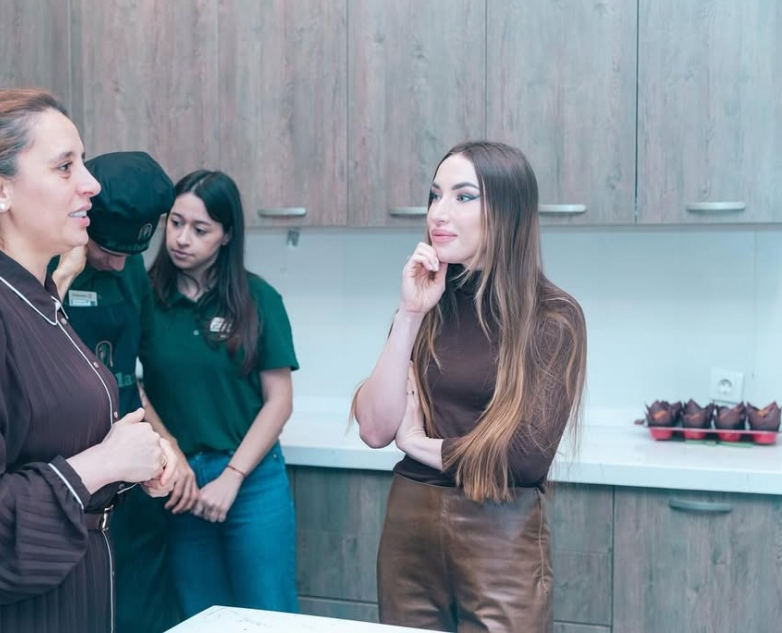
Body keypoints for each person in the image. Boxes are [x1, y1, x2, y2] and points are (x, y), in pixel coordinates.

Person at [0, 88, 178, 633]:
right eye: (65, 166)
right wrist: (105, 463)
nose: (91, 184)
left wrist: (133, 461)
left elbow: (46, 447)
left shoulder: (33, 296)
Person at [352, 141, 587, 632]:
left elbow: (524, 459)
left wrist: (417, 443)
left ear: (507, 211)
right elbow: (374, 429)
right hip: (409, 526)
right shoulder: (424, 304)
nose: (438, 213)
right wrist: (410, 314)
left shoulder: (553, 317)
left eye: (462, 197)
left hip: (500, 531)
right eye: (434, 195)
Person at [143, 170, 300, 618]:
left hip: (252, 479)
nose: (182, 239)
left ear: (226, 235)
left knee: (269, 615)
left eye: (200, 229)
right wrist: (171, 454)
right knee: (200, 616)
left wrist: (232, 476)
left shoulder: (258, 298)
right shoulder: (146, 296)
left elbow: (279, 401)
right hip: (180, 484)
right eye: (175, 223)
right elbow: (128, 384)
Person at [50, 150, 180, 632]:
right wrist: (64, 275)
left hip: (135, 482)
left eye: (132, 253)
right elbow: (27, 341)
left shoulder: (131, 270)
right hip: (75, 476)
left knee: (142, 611)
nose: (121, 263)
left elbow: (131, 377)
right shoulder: (50, 267)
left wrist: (167, 444)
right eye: (109, 251)